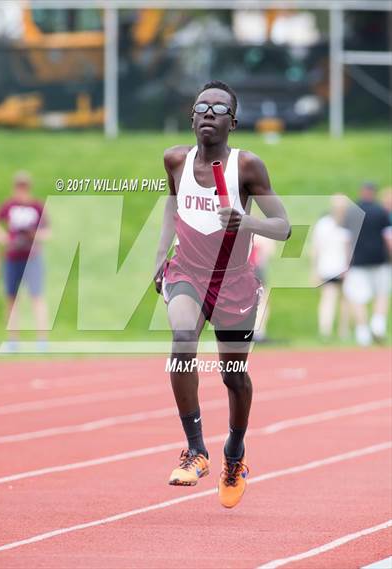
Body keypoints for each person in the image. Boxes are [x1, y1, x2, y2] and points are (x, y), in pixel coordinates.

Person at [153, 80, 291, 508]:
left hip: (234, 282)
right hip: (189, 273)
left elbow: (283, 226)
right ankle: (196, 450)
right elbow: (173, 206)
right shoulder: (175, 159)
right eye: (201, 106)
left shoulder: (247, 167)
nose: (208, 112)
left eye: (218, 107)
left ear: (233, 121)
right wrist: (161, 257)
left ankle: (234, 452)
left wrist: (244, 221)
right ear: (192, 118)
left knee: (233, 376)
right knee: (181, 341)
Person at [0, 172, 50, 350]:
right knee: (12, 299)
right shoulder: (9, 206)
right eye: (19, 186)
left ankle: (42, 340)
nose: (21, 190)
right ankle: (13, 340)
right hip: (13, 257)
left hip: (32, 258)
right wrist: (3, 237)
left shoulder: (37, 207)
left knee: (37, 297)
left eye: (24, 186)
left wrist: (35, 236)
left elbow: (48, 231)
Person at [343, 182, 391, 346]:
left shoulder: (352, 212)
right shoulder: (381, 211)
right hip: (380, 259)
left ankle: (362, 333)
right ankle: (378, 324)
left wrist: (346, 262)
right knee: (382, 293)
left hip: (358, 260)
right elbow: (388, 238)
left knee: (358, 298)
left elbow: (347, 240)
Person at [310, 194, 351, 340]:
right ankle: (326, 330)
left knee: (345, 300)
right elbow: (316, 248)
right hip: (328, 267)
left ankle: (343, 331)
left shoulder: (347, 224)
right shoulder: (324, 224)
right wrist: (314, 269)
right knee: (329, 298)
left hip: (343, 268)